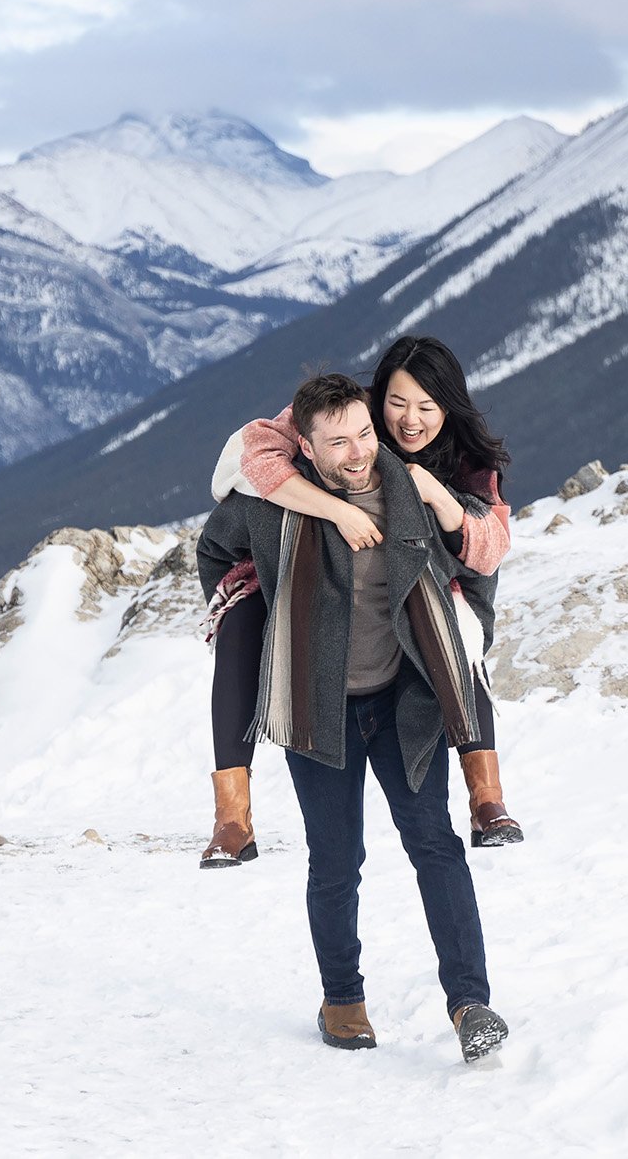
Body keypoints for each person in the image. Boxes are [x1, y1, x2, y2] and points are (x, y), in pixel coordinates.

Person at [197, 373, 510, 1062]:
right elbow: (215, 547)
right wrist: (243, 605)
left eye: (364, 433)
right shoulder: (272, 506)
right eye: (338, 442)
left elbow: (479, 550)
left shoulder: (412, 491)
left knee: (435, 844)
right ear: (305, 447)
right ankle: (342, 1001)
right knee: (336, 862)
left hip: (405, 702)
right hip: (319, 707)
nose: (359, 451)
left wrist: (463, 615)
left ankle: (470, 1002)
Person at [199, 336, 519, 869]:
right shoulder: (350, 419)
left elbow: (488, 553)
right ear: (377, 397)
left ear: (449, 406)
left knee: (454, 630)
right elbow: (254, 450)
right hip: (305, 567)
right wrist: (335, 511)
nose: (409, 421)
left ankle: (486, 798)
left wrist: (433, 493)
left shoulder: (466, 460)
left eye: (427, 406)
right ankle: (232, 818)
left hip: (425, 576)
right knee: (242, 620)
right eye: (396, 403)